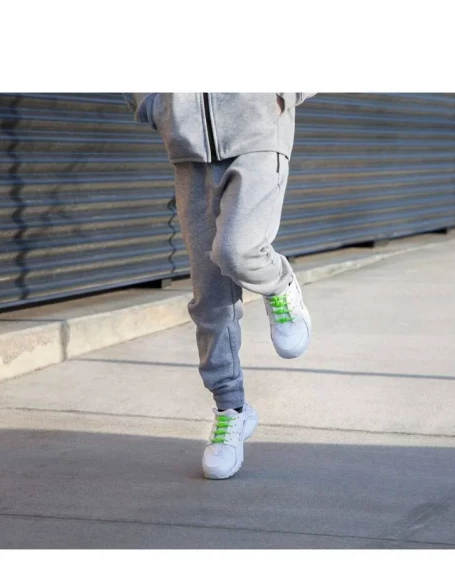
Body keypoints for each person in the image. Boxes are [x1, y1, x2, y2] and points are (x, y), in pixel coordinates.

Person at [124, 93, 316, 480]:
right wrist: (154, 104)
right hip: (189, 146)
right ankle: (232, 410)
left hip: (257, 131)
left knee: (237, 251)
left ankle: (279, 284)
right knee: (209, 298)